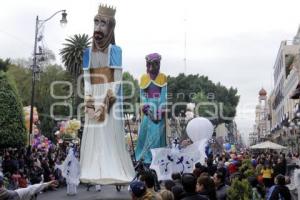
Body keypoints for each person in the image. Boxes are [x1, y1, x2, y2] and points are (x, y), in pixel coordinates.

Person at [80, 4, 135, 185]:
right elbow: (87, 80)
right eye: (96, 22)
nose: (98, 28)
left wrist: (104, 105)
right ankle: (93, 169)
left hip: (108, 96)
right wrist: (89, 103)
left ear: (111, 27)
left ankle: (113, 169)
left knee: (108, 132)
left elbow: (117, 81)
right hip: (93, 95)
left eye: (103, 23)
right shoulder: (87, 53)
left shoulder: (115, 51)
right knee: (94, 132)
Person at [135, 53, 168, 164]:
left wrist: (162, 108)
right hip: (148, 107)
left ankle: (156, 157)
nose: (152, 67)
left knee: (157, 133)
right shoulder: (144, 77)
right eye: (149, 64)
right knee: (144, 131)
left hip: (158, 107)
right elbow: (142, 94)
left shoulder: (162, 77)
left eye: (155, 64)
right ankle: (143, 156)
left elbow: (164, 93)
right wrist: (144, 105)